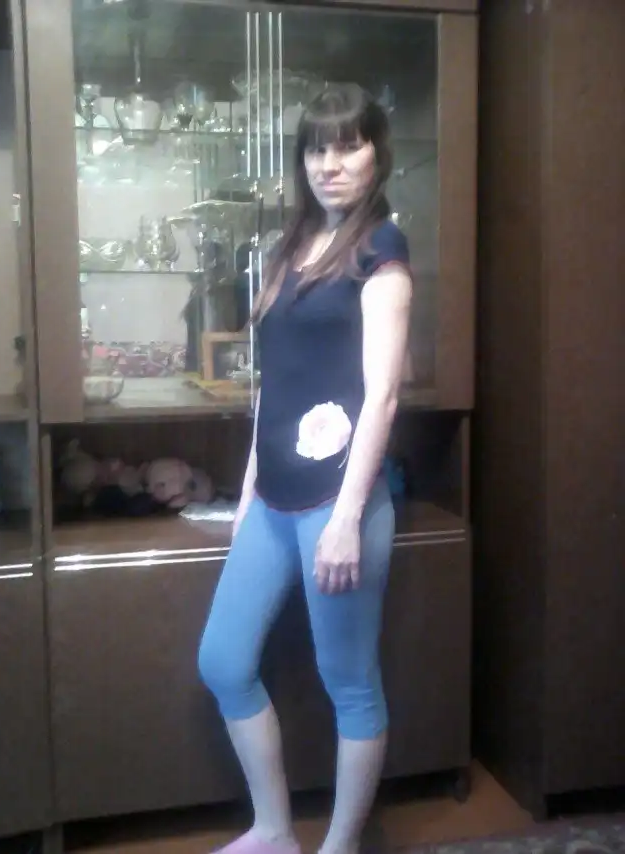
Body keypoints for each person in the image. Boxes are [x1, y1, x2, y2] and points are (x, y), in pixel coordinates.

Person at [198, 82, 413, 854]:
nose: (331, 163)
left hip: (340, 498)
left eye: (349, 146)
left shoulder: (382, 249)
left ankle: (340, 845)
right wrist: (248, 493)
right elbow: (276, 387)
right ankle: (274, 829)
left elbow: (383, 393)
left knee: (348, 679)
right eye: (317, 148)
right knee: (223, 661)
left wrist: (348, 518)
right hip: (274, 498)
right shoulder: (288, 249)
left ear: (377, 155)